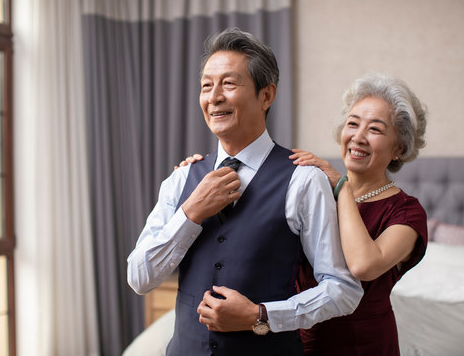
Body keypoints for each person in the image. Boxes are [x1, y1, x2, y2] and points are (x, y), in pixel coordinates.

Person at [127, 27, 363, 356]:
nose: (214, 97)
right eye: (206, 86)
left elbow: (344, 290)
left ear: (266, 96)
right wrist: (191, 212)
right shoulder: (181, 180)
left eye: (229, 83)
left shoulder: (304, 180)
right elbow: (139, 278)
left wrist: (260, 315)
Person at [181, 72, 428, 355]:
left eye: (375, 129)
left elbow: (362, 266)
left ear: (399, 148)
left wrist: (343, 188)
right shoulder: (313, 187)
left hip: (362, 345)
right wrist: (198, 171)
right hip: (294, 338)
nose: (358, 137)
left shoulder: (407, 213)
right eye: (352, 124)